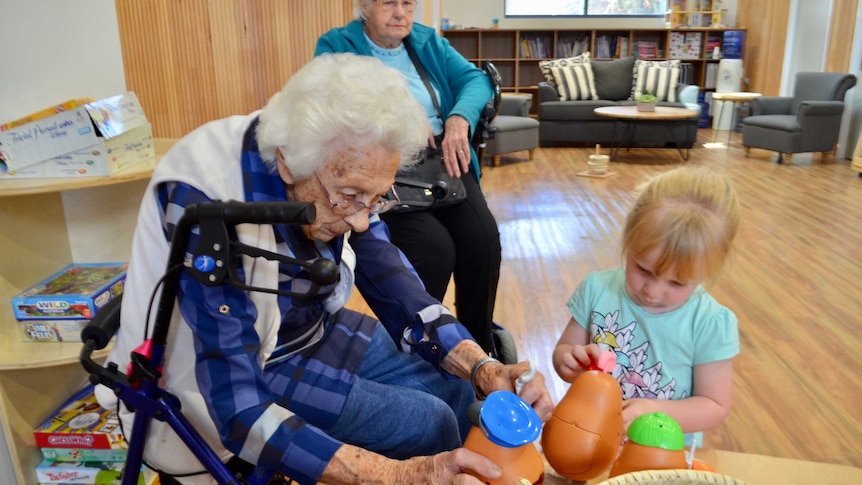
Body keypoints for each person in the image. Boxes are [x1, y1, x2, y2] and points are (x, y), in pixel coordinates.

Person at [95, 53, 552, 485]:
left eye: (375, 199)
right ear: (288, 162)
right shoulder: (203, 196)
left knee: (452, 388)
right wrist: (399, 475)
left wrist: (483, 367)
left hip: (309, 328)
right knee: (427, 424)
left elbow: (393, 279)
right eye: (350, 197)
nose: (360, 219)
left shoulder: (335, 157)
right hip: (234, 363)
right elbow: (237, 407)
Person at [315, 0, 503, 354]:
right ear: (365, 8)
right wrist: (399, 127)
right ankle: (424, 350)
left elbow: (475, 80)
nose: (401, 12)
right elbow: (329, 108)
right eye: (389, 3)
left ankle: (479, 349)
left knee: (483, 242)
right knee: (434, 250)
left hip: (442, 161)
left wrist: (458, 118)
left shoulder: (426, 41)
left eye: (408, 3)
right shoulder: (336, 46)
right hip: (386, 172)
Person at [552, 167, 741, 447]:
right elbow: (563, 353)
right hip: (590, 437)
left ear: (707, 272)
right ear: (629, 241)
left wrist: (655, 410)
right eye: (643, 269)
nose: (652, 291)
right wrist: (569, 362)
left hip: (663, 451)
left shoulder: (710, 322)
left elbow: (714, 405)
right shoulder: (596, 289)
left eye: (677, 283)